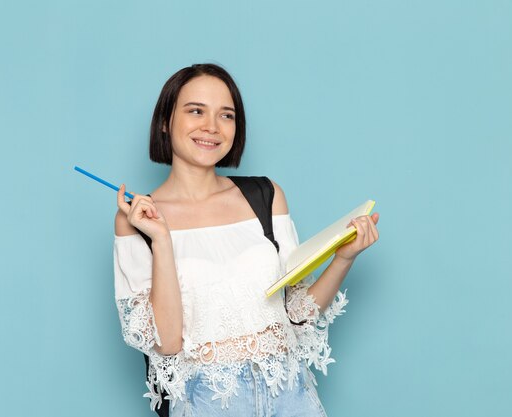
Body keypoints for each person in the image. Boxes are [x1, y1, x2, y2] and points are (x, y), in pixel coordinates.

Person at [113, 63, 379, 417]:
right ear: (165, 121)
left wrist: (344, 258)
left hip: (290, 393)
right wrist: (161, 240)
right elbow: (168, 342)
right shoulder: (138, 220)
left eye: (226, 115)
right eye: (196, 111)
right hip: (208, 402)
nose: (211, 127)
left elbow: (297, 314)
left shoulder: (266, 197)